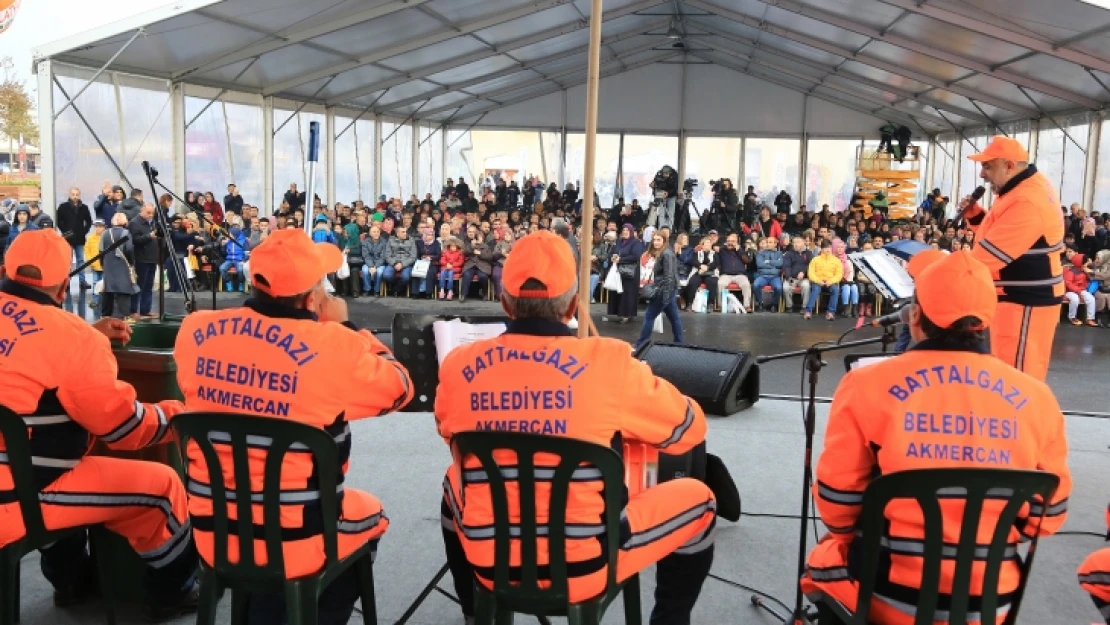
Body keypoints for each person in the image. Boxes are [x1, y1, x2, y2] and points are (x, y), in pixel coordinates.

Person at [435, 230, 716, 625]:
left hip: (490, 562)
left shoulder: (458, 364)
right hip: (586, 566)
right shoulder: (611, 362)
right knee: (699, 500)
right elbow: (689, 429)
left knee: (453, 481)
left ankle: (473, 613)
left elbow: (449, 435)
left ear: (504, 302)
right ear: (572, 307)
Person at [802, 251, 1071, 625]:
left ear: (915, 317)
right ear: (986, 321)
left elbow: (837, 505)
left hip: (889, 598)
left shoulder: (866, 384)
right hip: (990, 603)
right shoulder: (1037, 397)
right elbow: (1047, 517)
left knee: (820, 561)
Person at [174, 228, 413, 625]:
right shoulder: (335, 347)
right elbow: (399, 389)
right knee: (371, 514)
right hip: (298, 537)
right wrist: (348, 329)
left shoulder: (194, 330)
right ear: (312, 297)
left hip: (214, 532)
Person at [0, 229, 199, 620]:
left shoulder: (73, 337)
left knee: (58, 463)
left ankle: (71, 580)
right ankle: (172, 591)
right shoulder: (71, 338)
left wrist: (86, 337)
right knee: (162, 488)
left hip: (22, 477)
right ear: (63, 288)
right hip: (13, 500)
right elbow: (125, 430)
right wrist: (183, 413)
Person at [960, 136, 1065, 381]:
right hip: (1018, 301)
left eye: (988, 167)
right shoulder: (1023, 187)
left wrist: (940, 270)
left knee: (1015, 382)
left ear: (1009, 165)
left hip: (1024, 304)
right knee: (1014, 377)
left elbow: (986, 259)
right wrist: (977, 218)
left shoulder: (1026, 200)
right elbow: (1008, 235)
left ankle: (1019, 421)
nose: (982, 175)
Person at [636, 231, 683, 348]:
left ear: (664, 241)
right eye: (654, 240)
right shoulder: (665, 252)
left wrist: (666, 296)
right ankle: (679, 343)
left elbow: (669, 276)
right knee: (674, 318)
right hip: (667, 289)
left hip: (663, 290)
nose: (656, 242)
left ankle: (641, 344)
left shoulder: (666, 253)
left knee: (649, 316)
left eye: (659, 240)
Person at [100, 213, 137, 320]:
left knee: (108, 289)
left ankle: (105, 315)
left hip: (108, 264)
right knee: (123, 289)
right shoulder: (126, 233)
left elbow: (101, 250)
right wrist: (131, 263)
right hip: (122, 264)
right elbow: (129, 249)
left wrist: (103, 264)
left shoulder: (105, 233)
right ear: (124, 221)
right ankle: (124, 315)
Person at [56, 187, 94, 290]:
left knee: (81, 259)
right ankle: (66, 282)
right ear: (69, 195)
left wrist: (84, 231)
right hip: (68, 238)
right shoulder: (63, 207)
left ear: (79, 195)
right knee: (67, 260)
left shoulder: (84, 208)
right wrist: (66, 233)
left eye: (77, 194)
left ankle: (82, 281)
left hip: (80, 238)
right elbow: (59, 221)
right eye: (73, 194)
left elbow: (89, 221)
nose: (75, 196)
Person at [127, 203, 160, 319]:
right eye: (148, 213)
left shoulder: (153, 223)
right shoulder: (134, 223)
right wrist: (149, 237)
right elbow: (134, 240)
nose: (151, 215)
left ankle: (145, 309)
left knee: (148, 286)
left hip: (152, 257)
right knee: (138, 286)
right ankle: (133, 309)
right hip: (141, 258)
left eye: (152, 213)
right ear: (142, 211)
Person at [607, 224, 643, 323]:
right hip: (619, 271)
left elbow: (636, 256)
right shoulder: (618, 242)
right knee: (619, 292)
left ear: (631, 231)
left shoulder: (636, 242)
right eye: (624, 230)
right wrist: (612, 257)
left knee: (628, 293)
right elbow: (612, 252)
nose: (625, 231)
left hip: (630, 272)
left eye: (627, 230)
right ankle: (619, 312)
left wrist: (621, 259)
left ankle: (627, 315)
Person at [804, 239, 842, 321]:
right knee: (815, 290)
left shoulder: (836, 260)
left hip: (830, 281)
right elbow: (810, 273)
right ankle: (808, 311)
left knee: (835, 289)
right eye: (825, 248)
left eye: (829, 247)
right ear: (821, 249)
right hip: (818, 281)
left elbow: (839, 274)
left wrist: (831, 281)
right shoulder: (815, 260)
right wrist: (818, 281)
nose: (828, 250)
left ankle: (831, 312)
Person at [717, 233, 752, 313]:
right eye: (728, 241)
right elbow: (712, 247)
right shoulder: (722, 250)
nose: (730, 243)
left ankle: (746, 306)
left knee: (746, 284)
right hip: (726, 275)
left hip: (740, 275)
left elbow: (747, 261)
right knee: (720, 283)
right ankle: (720, 305)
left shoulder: (742, 250)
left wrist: (739, 250)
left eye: (732, 241)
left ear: (737, 242)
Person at [1063, 251, 1097, 326]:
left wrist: (1088, 274)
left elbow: (1087, 281)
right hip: (1070, 292)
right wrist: (1078, 290)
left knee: (1091, 298)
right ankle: (1072, 317)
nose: (1087, 263)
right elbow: (1068, 283)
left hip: (1081, 290)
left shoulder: (1084, 271)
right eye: (1085, 262)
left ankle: (1090, 318)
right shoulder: (1071, 272)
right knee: (1075, 299)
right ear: (1080, 263)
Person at [383, 225, 417, 296]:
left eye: (405, 232)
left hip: (406, 263)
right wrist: (394, 263)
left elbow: (413, 256)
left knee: (405, 277)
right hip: (393, 262)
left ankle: (395, 289)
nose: (405, 233)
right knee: (386, 275)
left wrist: (402, 264)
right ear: (397, 234)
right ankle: (397, 287)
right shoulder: (390, 240)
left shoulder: (411, 240)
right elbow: (387, 255)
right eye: (403, 232)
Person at [782, 236, 812, 314]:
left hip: (804, 278)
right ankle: (789, 306)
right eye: (794, 242)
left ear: (803, 243)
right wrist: (789, 278)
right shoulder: (788, 254)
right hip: (791, 277)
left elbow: (811, 265)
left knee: (806, 286)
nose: (795, 244)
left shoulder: (808, 253)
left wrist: (804, 272)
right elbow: (786, 266)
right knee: (786, 287)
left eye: (798, 242)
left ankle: (804, 307)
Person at [752, 237, 783, 312]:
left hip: (775, 277)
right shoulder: (760, 253)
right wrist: (774, 264)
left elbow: (780, 264)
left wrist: (768, 261)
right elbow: (760, 265)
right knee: (755, 285)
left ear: (775, 244)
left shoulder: (779, 253)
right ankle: (760, 303)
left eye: (770, 242)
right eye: (767, 242)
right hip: (763, 276)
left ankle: (774, 304)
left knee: (779, 288)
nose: (767, 244)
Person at [360, 223, 388, 296]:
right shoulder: (365, 242)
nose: (376, 233)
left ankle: (376, 290)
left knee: (379, 272)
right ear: (370, 233)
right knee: (365, 270)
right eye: (374, 232)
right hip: (369, 263)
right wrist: (371, 266)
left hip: (380, 263)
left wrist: (375, 266)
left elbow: (383, 256)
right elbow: (366, 255)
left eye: (377, 232)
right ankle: (367, 289)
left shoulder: (384, 241)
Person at [650, 165, 678, 229]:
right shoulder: (658, 174)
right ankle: (661, 228)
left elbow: (675, 188)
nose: (665, 175)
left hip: (671, 196)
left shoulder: (675, 175)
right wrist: (653, 184)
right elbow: (655, 182)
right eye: (664, 173)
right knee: (661, 213)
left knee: (670, 213)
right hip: (661, 195)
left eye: (667, 174)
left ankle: (670, 229)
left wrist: (668, 193)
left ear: (670, 173)